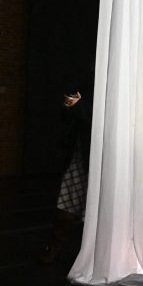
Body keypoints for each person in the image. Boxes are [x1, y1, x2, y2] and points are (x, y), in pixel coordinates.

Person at [40, 73, 93, 264]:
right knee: (67, 201)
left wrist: (77, 106)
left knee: (94, 207)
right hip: (82, 152)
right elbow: (70, 110)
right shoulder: (88, 80)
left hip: (100, 154)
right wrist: (73, 105)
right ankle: (54, 248)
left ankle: (88, 254)